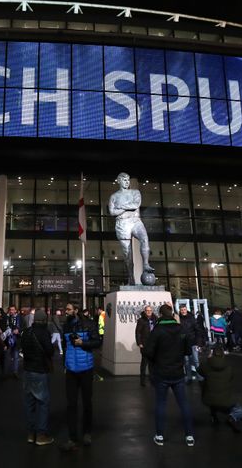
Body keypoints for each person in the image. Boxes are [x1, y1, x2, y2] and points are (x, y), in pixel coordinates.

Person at [143, 304, 196, 447]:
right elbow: (188, 351)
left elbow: (148, 351)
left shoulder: (157, 331)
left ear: (160, 315)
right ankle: (189, 436)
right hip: (178, 372)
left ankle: (159, 435)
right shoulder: (181, 329)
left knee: (161, 404)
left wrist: (156, 359)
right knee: (184, 404)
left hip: (161, 373)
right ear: (172, 314)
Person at [59, 302, 102, 451]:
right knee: (71, 405)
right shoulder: (66, 326)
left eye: (69, 309)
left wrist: (83, 342)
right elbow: (65, 346)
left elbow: (97, 342)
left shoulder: (89, 324)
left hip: (86, 369)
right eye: (66, 309)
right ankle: (72, 438)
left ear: (76, 311)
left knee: (87, 403)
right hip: (71, 370)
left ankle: (87, 433)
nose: (66, 311)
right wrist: (64, 364)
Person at [107, 172, 156, 284]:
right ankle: (131, 277)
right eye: (124, 180)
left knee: (144, 238)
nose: (127, 182)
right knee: (127, 253)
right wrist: (126, 209)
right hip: (122, 224)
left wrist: (121, 207)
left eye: (128, 180)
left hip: (135, 221)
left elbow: (136, 205)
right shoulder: (114, 196)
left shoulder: (135, 192)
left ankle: (146, 264)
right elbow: (112, 212)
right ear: (118, 181)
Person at [20, 309, 56, 446]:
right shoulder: (44, 333)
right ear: (44, 320)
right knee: (42, 403)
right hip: (40, 370)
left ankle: (31, 433)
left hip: (27, 370)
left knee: (29, 403)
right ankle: (41, 435)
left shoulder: (27, 332)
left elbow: (22, 347)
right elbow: (49, 351)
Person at [197, 345, 242, 433]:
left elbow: (199, 370)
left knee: (209, 386)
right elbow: (231, 378)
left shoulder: (206, 366)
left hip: (209, 399)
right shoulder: (229, 366)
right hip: (226, 400)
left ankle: (213, 414)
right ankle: (232, 417)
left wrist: (208, 359)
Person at [178, 304, 203, 383]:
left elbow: (198, 330)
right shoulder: (178, 319)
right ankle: (189, 377)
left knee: (196, 360)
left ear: (186, 309)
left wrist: (198, 342)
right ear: (180, 310)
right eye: (182, 310)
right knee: (186, 361)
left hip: (193, 342)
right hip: (183, 343)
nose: (183, 311)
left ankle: (200, 377)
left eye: (184, 309)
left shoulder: (192, 318)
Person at [135, 305, 157, 386]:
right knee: (144, 363)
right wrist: (139, 343)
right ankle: (142, 381)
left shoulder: (155, 319)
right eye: (147, 310)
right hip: (144, 344)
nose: (149, 312)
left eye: (150, 310)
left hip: (153, 344)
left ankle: (152, 380)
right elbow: (138, 332)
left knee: (152, 364)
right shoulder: (141, 320)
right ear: (145, 311)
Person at [3, 304, 24, 378]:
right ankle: (5, 373)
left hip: (17, 339)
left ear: (15, 310)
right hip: (9, 340)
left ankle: (15, 372)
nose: (11, 311)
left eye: (12, 310)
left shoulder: (21, 318)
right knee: (7, 357)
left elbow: (24, 327)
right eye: (10, 310)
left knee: (16, 357)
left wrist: (19, 331)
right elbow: (5, 327)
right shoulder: (7, 318)